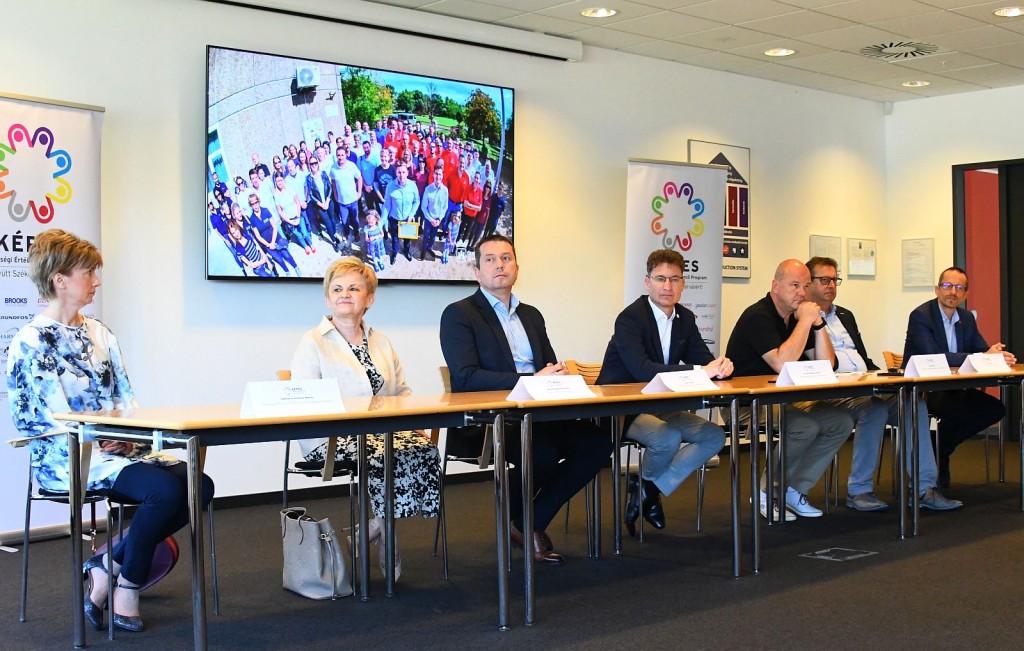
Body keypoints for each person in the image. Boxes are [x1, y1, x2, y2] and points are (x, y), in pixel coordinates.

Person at [6, 229, 215, 632]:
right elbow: (38, 418)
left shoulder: (100, 333)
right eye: (88, 273)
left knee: (199, 486)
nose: (97, 281)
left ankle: (106, 565)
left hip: (120, 448)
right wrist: (98, 436)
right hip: (67, 455)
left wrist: (128, 434)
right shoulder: (30, 341)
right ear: (59, 280)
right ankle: (128, 586)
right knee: (164, 491)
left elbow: (126, 399)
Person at [440, 235, 613, 564]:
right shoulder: (459, 314)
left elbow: (546, 364)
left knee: (597, 442)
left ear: (517, 268)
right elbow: (466, 377)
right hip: (492, 418)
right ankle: (524, 524)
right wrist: (530, 380)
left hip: (539, 413)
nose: (499, 265)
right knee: (541, 453)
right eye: (490, 259)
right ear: (477, 272)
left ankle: (525, 523)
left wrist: (557, 374)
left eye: (506, 258)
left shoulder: (531, 315)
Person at [290, 257, 440, 580]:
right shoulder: (312, 342)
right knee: (386, 453)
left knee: (423, 448)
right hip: (330, 439)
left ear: (369, 298)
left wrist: (413, 423)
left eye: (354, 288)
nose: (345, 294)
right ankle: (387, 538)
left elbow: (401, 392)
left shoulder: (381, 341)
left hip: (381, 434)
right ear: (327, 299)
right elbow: (306, 399)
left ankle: (373, 528)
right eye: (337, 289)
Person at [804, 257, 961, 511]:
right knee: (873, 409)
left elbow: (862, 358)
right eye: (824, 280)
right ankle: (859, 490)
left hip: (864, 383)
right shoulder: (802, 317)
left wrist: (881, 374)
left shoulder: (845, 315)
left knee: (914, 405)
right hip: (831, 390)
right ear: (808, 283)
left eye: (834, 280)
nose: (831, 285)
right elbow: (817, 364)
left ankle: (924, 489)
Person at [597, 249, 729, 535]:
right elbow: (643, 370)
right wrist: (701, 370)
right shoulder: (630, 319)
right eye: (660, 279)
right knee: (667, 437)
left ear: (683, 284)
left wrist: (721, 367)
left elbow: (703, 360)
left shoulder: (685, 318)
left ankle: (648, 487)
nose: (667, 286)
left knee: (714, 436)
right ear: (647, 282)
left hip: (660, 406)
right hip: (623, 409)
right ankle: (647, 489)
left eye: (674, 279)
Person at [725, 259, 853, 520]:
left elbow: (827, 364)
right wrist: (806, 321)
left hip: (784, 400)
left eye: (805, 286)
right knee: (803, 426)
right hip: (746, 404)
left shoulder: (796, 318)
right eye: (795, 285)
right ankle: (766, 492)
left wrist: (818, 324)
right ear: (775, 286)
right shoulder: (757, 317)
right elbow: (782, 363)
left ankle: (793, 490)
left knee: (840, 422)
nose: (802, 293)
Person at [902, 266, 1015, 487]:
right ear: (937, 289)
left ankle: (939, 449)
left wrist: (996, 354)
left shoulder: (966, 317)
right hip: (925, 390)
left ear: (965, 294)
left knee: (995, 409)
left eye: (959, 287)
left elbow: (980, 349)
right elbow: (933, 355)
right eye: (947, 286)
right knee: (958, 411)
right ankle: (938, 454)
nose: (952, 292)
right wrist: (980, 355)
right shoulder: (921, 316)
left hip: (955, 388)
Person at [380, 163, 419, 264]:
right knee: (395, 238)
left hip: (407, 219)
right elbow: (387, 205)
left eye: (403, 172)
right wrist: (381, 222)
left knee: (407, 239)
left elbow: (416, 201)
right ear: (396, 173)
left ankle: (406, 251)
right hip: (394, 219)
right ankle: (394, 253)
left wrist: (411, 215)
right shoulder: (390, 186)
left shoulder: (412, 185)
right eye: (399, 172)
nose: (401, 175)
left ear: (407, 173)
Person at [420, 165, 447, 261]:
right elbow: (423, 207)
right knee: (426, 236)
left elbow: (445, 207)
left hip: (438, 220)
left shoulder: (445, 190)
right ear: (433, 175)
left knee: (433, 237)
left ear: (442, 175)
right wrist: (431, 219)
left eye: (440, 174)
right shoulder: (428, 189)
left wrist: (439, 219)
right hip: (429, 219)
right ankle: (424, 250)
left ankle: (429, 248)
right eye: (436, 174)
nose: (438, 176)